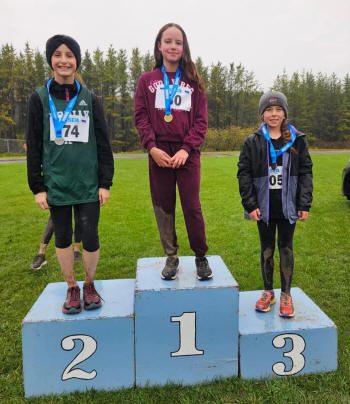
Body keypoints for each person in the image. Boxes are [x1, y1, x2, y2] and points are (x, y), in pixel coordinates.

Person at [26, 34, 114, 314]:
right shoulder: (38, 99)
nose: (64, 60)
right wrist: (38, 187)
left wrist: (105, 182)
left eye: (69, 55)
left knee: (90, 235)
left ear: (77, 61)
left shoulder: (90, 98)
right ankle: (71, 287)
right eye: (58, 55)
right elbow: (34, 145)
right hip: (57, 184)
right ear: (51, 60)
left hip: (88, 184)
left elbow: (103, 143)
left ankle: (89, 285)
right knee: (62, 237)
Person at [134, 23, 212, 281]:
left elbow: (201, 121)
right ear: (159, 46)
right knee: (163, 207)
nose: (172, 46)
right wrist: (151, 147)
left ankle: (200, 256)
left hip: (187, 154)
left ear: (184, 47)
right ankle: (171, 256)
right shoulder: (147, 81)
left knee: (192, 207)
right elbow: (141, 117)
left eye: (178, 42)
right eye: (168, 41)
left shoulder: (194, 81)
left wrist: (187, 149)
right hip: (159, 154)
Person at [237, 90, 313, 318]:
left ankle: (286, 294)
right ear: (262, 115)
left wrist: (304, 203)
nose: (273, 114)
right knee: (267, 248)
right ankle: (268, 291)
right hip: (264, 207)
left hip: (288, 205)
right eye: (268, 110)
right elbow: (244, 173)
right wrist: (250, 204)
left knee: (286, 247)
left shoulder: (297, 140)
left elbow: (306, 171)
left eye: (278, 109)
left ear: (285, 113)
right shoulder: (253, 141)